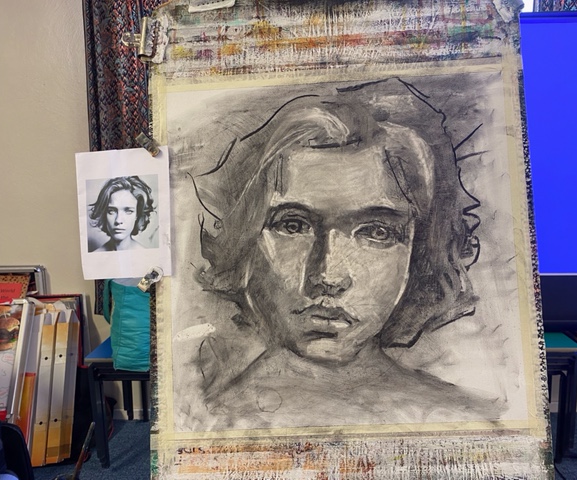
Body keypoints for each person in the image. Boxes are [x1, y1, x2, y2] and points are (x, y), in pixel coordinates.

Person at [181, 78, 505, 431]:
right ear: (244, 243)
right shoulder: (204, 422)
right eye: (293, 225)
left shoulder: (466, 422)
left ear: (419, 252)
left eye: (376, 232)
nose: (328, 276)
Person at [88, 176, 155, 252]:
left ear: (137, 214)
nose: (118, 220)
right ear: (104, 213)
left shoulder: (147, 255)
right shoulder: (94, 255)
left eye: (128, 211)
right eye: (111, 211)